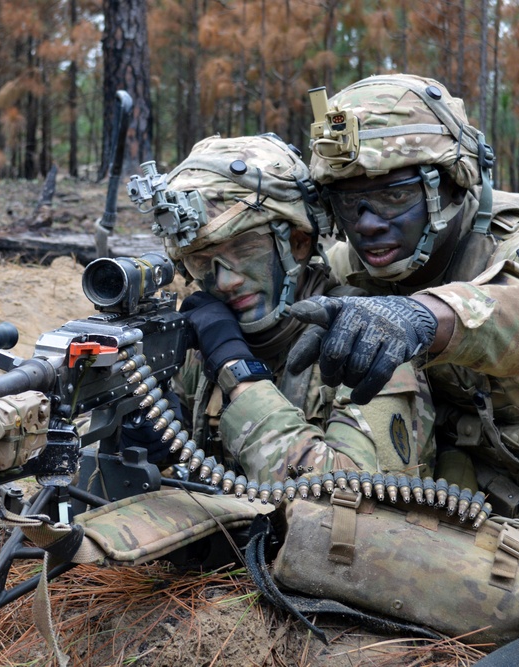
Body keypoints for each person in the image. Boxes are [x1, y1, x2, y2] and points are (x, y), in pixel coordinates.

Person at [287, 74, 519, 542]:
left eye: (395, 196)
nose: (368, 225)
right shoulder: (351, 268)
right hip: (492, 512)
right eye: (348, 202)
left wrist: (428, 317)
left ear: (453, 182)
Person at [123, 132, 436, 491]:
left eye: (243, 248)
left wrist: (237, 375)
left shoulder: (367, 339)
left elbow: (354, 501)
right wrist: (144, 445)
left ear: (299, 243)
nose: (224, 281)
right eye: (200, 259)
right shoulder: (201, 342)